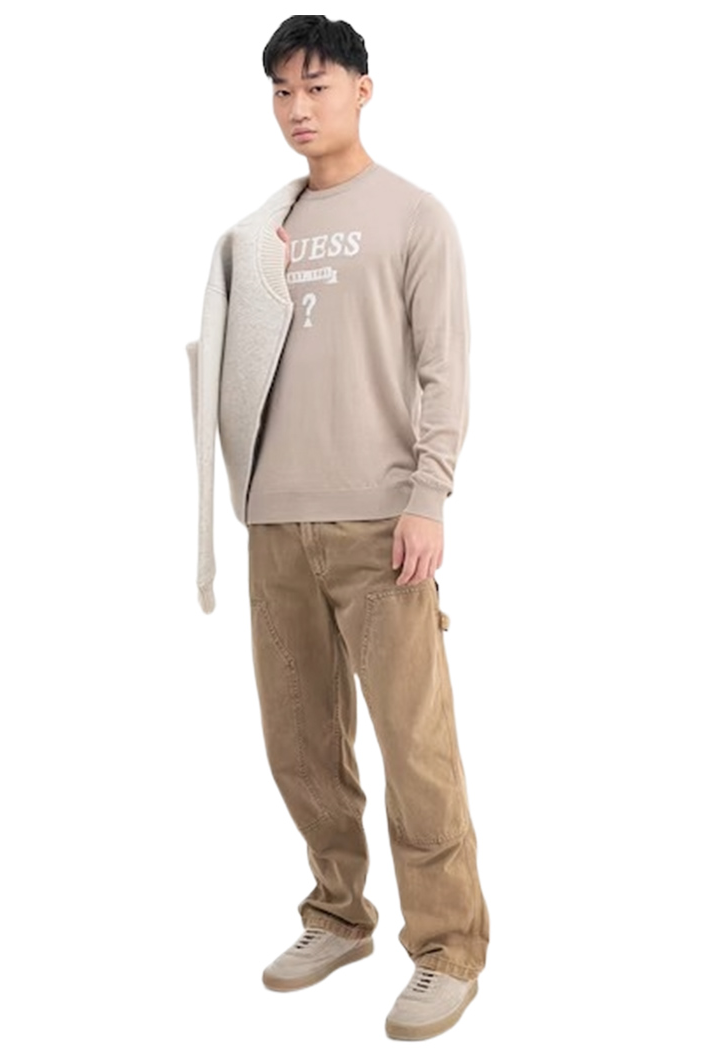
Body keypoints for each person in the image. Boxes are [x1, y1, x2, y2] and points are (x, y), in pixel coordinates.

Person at [189, 15, 489, 1041]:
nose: (297, 108)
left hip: (380, 523)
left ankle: (448, 947)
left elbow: (445, 368)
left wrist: (428, 496)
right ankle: (337, 914)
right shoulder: (258, 234)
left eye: (316, 86)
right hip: (276, 518)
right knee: (301, 746)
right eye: (281, 90)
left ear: (364, 89)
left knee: (417, 750)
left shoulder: (414, 216)